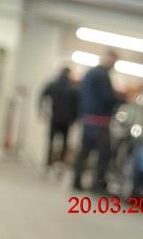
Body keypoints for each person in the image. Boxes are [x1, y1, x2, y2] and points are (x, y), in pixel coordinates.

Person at [72, 51, 121, 192]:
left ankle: (76, 180)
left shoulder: (90, 73)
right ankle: (98, 184)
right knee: (104, 154)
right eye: (113, 61)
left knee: (84, 152)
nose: (113, 65)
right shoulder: (102, 75)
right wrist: (122, 100)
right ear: (108, 59)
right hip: (99, 121)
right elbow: (107, 97)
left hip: (87, 119)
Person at [40, 66, 78, 170]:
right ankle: (60, 164)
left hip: (55, 117)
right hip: (66, 120)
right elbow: (76, 106)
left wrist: (42, 111)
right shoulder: (72, 88)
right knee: (64, 143)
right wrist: (74, 120)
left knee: (51, 141)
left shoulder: (53, 85)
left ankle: (48, 164)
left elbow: (42, 96)